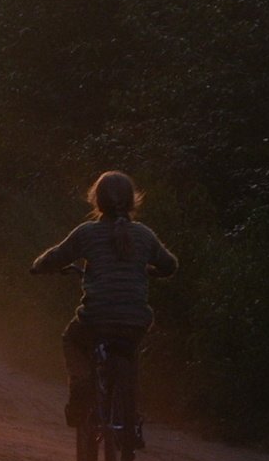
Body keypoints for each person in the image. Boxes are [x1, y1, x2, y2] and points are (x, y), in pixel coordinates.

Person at [30, 170, 177, 427]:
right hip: (135, 319)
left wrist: (38, 267)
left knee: (72, 340)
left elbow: (57, 257)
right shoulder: (144, 235)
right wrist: (150, 270)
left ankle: (82, 386)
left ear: (96, 201)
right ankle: (130, 417)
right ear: (132, 201)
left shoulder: (87, 233)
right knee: (129, 350)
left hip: (96, 318)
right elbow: (170, 265)